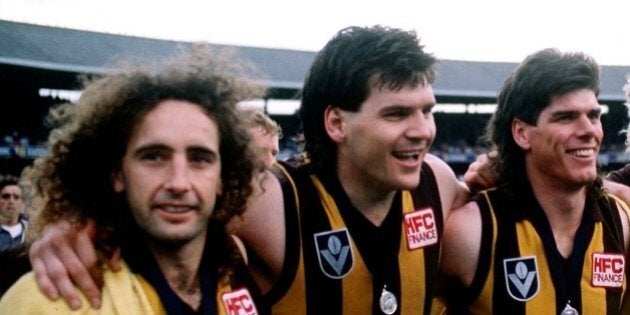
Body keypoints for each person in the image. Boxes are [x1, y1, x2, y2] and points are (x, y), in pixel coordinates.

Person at [28, 25, 471, 314]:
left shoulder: (439, 182)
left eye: (427, 111)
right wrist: (70, 224)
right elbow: (161, 204)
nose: (422, 131)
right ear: (336, 122)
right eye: (396, 115)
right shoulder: (273, 200)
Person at [0, 48, 266, 314]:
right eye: (153, 157)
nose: (178, 182)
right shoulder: (44, 301)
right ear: (117, 174)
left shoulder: (235, 273)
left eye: (200, 159)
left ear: (223, 178)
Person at [439, 48, 630, 314]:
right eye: (566, 117)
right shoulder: (471, 231)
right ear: (521, 133)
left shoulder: (620, 222)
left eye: (594, 116)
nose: (588, 130)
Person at [0, 179, 27, 251]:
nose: (11, 201)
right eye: (6, 196)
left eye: (16, 197)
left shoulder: (33, 231)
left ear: (22, 203)